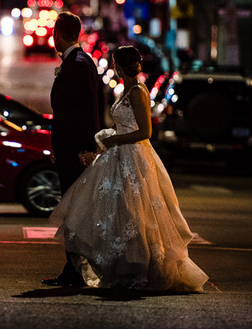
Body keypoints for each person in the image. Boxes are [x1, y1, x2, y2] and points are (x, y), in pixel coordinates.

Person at [48, 45, 208, 292]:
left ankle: (140, 270)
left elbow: (145, 132)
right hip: (118, 154)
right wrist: (104, 142)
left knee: (135, 213)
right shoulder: (126, 89)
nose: (113, 67)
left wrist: (114, 140)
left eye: (114, 63)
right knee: (118, 214)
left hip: (133, 157)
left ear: (119, 66)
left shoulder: (137, 91)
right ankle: (122, 266)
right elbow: (123, 124)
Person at [41, 12, 103, 288]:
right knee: (74, 211)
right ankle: (73, 267)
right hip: (71, 149)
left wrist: (83, 149)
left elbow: (82, 112)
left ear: (58, 34)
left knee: (74, 211)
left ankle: (76, 269)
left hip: (75, 152)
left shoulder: (76, 64)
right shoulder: (81, 62)